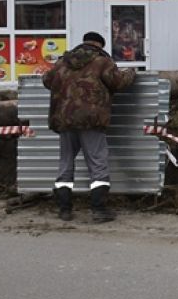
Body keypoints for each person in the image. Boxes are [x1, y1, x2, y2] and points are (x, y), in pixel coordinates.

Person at [43, 31, 136, 223]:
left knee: (65, 163)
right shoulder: (102, 61)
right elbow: (117, 82)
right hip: (90, 120)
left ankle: (64, 209)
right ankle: (98, 209)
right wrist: (131, 73)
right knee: (97, 163)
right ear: (99, 45)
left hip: (64, 119)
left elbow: (47, 80)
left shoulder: (63, 61)